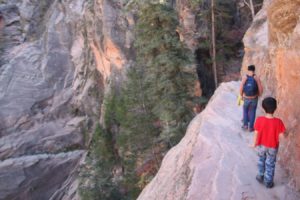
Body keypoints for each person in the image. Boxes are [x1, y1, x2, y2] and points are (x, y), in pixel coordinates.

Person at [250, 97, 286, 188]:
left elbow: (256, 133)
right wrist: (285, 134)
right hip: (273, 147)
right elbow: (281, 136)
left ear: (263, 107)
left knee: (261, 160)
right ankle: (268, 181)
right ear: (275, 108)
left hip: (261, 145)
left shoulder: (259, 120)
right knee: (270, 163)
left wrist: (254, 144)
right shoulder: (278, 122)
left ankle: (260, 176)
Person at [239, 65, 263, 132]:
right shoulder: (256, 78)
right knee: (252, 111)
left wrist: (241, 95)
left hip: (246, 98)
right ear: (254, 70)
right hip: (254, 98)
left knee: (245, 111)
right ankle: (251, 128)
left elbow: (241, 87)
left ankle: (245, 125)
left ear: (248, 70)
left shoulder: (245, 77)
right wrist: (259, 94)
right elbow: (260, 87)